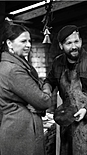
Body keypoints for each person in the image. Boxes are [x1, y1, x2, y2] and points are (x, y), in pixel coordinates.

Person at [43, 25, 87, 155]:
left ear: (81, 41)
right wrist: (46, 91)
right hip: (67, 123)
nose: (74, 46)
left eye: (76, 41)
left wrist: (86, 110)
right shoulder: (58, 63)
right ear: (61, 46)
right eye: (69, 43)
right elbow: (49, 81)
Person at [0, 20, 52, 155]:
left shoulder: (16, 65)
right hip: (21, 133)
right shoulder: (13, 70)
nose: (28, 45)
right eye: (23, 41)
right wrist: (47, 86)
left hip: (19, 129)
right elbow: (44, 101)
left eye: (29, 41)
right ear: (9, 43)